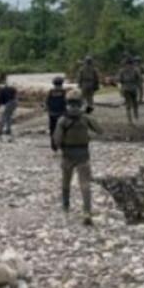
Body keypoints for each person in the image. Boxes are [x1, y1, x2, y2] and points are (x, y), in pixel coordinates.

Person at [52, 90, 102, 226]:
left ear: (67, 103)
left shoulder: (62, 120)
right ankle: (87, 212)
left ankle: (65, 206)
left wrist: (60, 148)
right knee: (85, 184)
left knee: (66, 181)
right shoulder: (86, 118)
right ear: (81, 103)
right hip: (83, 154)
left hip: (67, 155)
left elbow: (57, 140)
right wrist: (89, 134)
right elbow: (100, 130)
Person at [117, 58, 143, 124]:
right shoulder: (134, 70)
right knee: (131, 104)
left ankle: (133, 118)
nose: (128, 66)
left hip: (129, 88)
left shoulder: (123, 70)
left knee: (132, 104)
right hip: (130, 88)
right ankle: (132, 118)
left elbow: (119, 80)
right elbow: (139, 79)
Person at [45, 76, 67, 151]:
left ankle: (53, 145)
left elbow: (47, 102)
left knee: (52, 129)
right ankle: (62, 145)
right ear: (62, 83)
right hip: (62, 114)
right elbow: (66, 102)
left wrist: (48, 109)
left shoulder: (51, 92)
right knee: (63, 129)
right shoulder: (64, 92)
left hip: (52, 114)